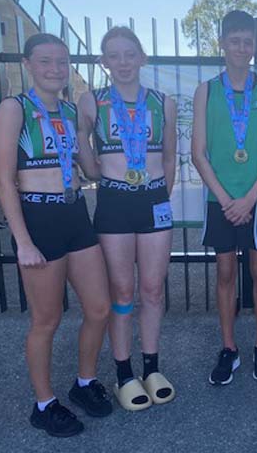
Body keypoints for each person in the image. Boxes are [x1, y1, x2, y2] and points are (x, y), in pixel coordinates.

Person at [0, 33, 112, 437]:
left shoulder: (70, 110)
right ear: (28, 64)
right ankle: (44, 404)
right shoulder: (14, 108)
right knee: (47, 319)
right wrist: (23, 242)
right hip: (38, 217)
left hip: (75, 212)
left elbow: (90, 170)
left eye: (62, 62)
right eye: (45, 61)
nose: (55, 69)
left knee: (99, 308)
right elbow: (3, 180)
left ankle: (84, 382)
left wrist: (118, 152)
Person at [77, 26, 177, 411]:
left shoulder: (163, 103)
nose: (123, 62)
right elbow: (86, 153)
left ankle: (152, 368)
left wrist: (161, 193)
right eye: (114, 55)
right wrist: (93, 169)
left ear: (142, 58)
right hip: (114, 201)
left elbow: (169, 156)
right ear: (104, 62)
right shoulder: (92, 101)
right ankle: (124, 373)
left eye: (129, 54)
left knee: (152, 290)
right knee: (122, 292)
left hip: (153, 200)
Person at [191, 10, 257, 384]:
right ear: (222, 44)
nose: (242, 48)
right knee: (226, 273)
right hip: (220, 201)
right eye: (235, 41)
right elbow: (198, 153)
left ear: (255, 45)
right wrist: (227, 199)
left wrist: (249, 199)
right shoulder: (206, 91)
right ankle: (229, 347)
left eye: (248, 42)